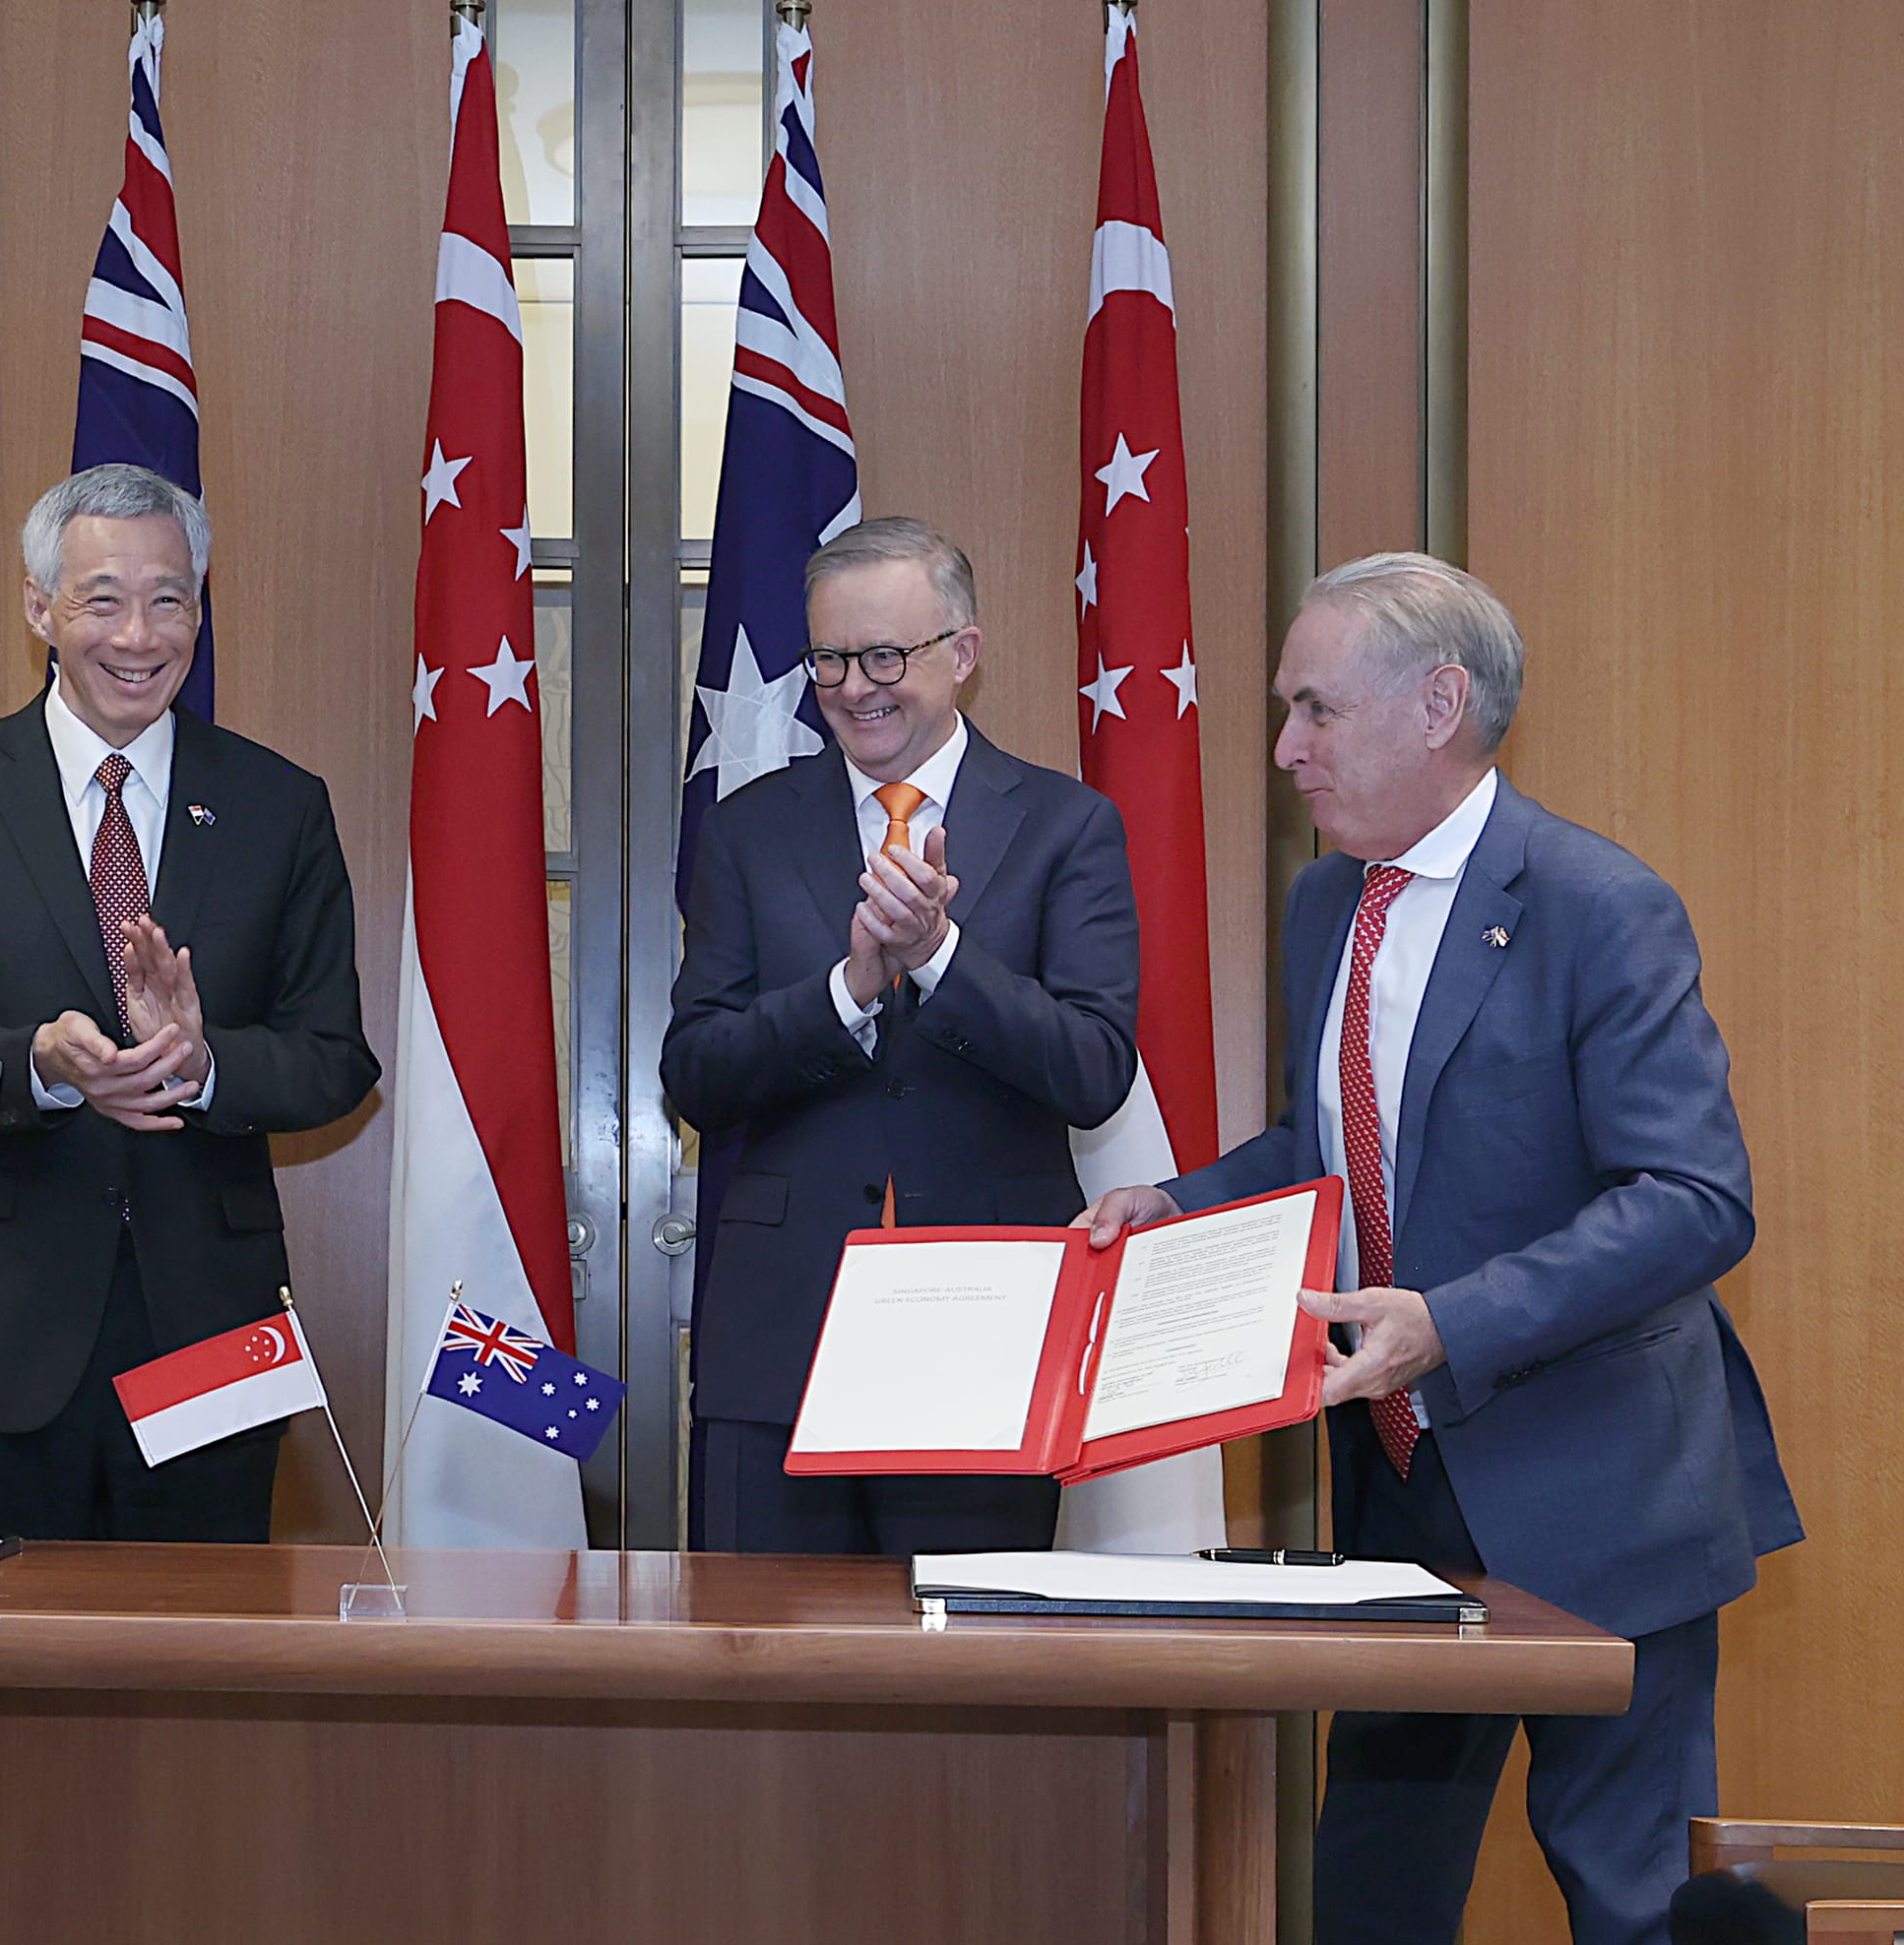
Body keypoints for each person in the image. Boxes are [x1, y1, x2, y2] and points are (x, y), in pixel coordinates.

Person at [1081, 552, 1799, 1945]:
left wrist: (1449, 1320)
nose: (1286, 751)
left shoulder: (1601, 906)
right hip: (1403, 1494)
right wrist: (1174, 1202)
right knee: (1371, 1895)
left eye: (1314, 711)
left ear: (1438, 706)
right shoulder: (1325, 905)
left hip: (1603, 1497)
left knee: (1628, 1900)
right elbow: (1336, 1152)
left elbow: (1698, 1197)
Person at [0, 463, 378, 1541]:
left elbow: (335, 1058)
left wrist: (205, 1065)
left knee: (197, 1680)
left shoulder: (278, 806)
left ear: (200, 606)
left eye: (168, 598)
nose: (138, 634)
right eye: (102, 599)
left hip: (212, 1331)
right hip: (4, 1341)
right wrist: (44, 1066)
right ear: (38, 607)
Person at [662, 515, 1141, 1555]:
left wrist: (938, 958)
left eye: (885, 654)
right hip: (781, 1342)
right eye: (829, 657)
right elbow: (696, 1071)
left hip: (986, 1338)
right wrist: (849, 988)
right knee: (767, 1683)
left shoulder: (1068, 825)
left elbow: (1096, 1069)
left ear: (961, 653)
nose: (853, 685)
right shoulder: (749, 829)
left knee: (972, 1693)